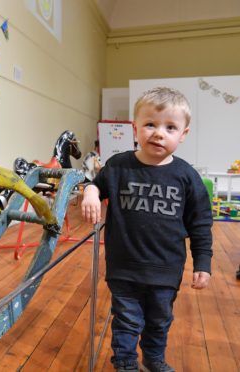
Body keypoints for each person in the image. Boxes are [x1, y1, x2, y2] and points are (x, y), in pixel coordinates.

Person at [81, 87, 213, 372]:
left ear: (183, 134)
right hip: (124, 267)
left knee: (159, 319)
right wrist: (91, 192)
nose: (158, 133)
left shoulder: (187, 176)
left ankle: (154, 359)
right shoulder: (118, 166)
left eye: (170, 127)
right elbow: (95, 182)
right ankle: (126, 363)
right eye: (150, 124)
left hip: (166, 269)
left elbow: (201, 223)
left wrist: (203, 262)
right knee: (127, 319)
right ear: (135, 127)